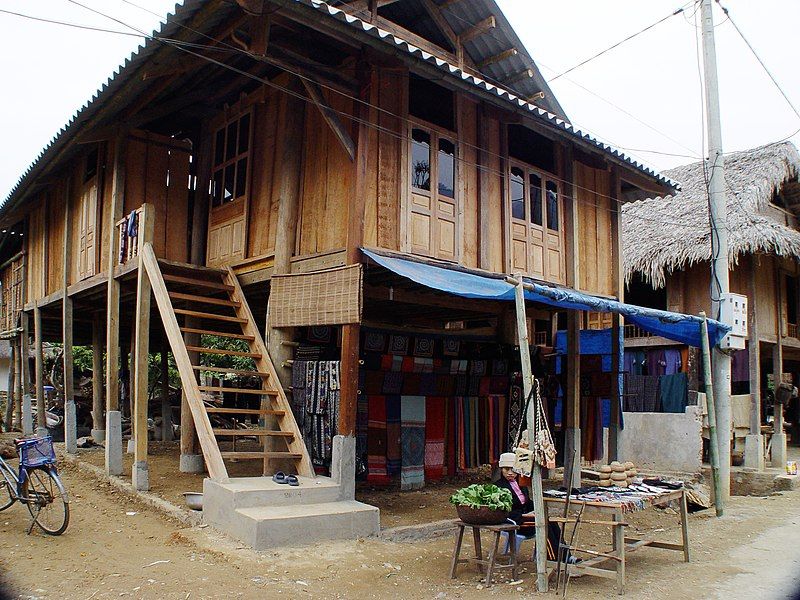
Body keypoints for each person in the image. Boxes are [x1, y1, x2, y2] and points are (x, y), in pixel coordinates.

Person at [495, 452, 573, 563]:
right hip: (515, 520)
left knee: (550, 521)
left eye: (513, 469)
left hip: (525, 518)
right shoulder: (498, 487)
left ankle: (566, 554)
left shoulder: (521, 485)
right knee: (543, 522)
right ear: (501, 469)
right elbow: (501, 511)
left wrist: (537, 509)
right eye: (506, 469)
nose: (510, 473)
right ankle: (554, 558)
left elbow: (527, 503)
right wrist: (524, 515)